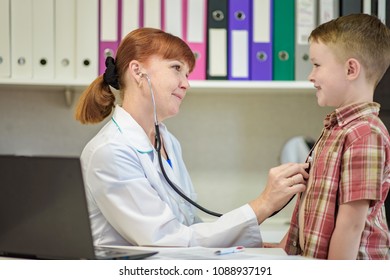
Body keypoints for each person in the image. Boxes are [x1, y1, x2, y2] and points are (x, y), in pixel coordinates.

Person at [75, 27, 308, 247]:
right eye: (176, 68)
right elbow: (165, 240)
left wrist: (247, 246)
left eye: (187, 74)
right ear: (137, 71)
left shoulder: (167, 141)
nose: (186, 84)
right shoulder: (111, 151)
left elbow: (188, 226)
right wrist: (263, 204)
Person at [278, 14, 390, 259]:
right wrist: (282, 248)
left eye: (317, 65)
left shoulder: (364, 133)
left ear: (351, 69)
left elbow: (351, 225)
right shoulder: (337, 129)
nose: (311, 76)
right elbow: (312, 206)